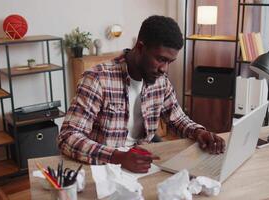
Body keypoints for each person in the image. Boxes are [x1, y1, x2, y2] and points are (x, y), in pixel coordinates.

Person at [58, 15, 225, 173]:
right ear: (140, 47)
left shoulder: (161, 81)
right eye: (161, 59)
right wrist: (118, 158)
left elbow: (177, 119)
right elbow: (68, 137)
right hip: (103, 167)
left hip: (142, 165)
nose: (164, 69)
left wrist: (199, 133)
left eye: (169, 62)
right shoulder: (97, 79)